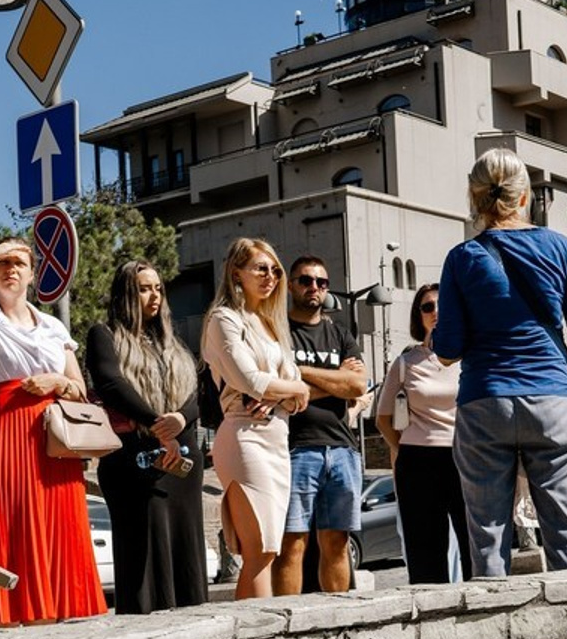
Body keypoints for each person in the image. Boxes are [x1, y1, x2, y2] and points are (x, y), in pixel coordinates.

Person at [432, 148, 567, 576]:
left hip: (484, 400)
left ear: (475, 200)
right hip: (551, 398)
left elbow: (448, 349)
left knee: (487, 537)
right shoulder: (557, 247)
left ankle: (495, 635)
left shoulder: (462, 257)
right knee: (565, 530)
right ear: (525, 196)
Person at [0, 238, 106, 626]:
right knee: (7, 522)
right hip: (5, 431)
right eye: (3, 263)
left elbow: (79, 389)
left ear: (33, 274)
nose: (10, 268)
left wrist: (56, 381)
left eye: (19, 262)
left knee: (56, 526)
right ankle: (5, 619)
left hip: (53, 436)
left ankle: (49, 616)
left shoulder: (53, 326)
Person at [86, 260, 208, 613]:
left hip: (181, 459)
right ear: (126, 293)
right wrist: (158, 426)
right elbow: (111, 384)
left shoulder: (172, 342)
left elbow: (196, 393)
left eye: (158, 288)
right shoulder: (103, 334)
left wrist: (178, 420)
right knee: (144, 553)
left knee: (186, 549)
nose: (154, 295)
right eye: (143, 288)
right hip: (134, 461)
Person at [200, 238, 310, 600]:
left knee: (268, 549)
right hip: (244, 436)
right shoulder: (223, 319)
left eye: (275, 270)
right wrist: (289, 391)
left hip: (277, 438)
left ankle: (254, 636)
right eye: (261, 268)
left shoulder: (270, 323)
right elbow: (249, 381)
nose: (271, 277)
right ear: (236, 272)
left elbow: (296, 389)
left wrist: (285, 397)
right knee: (259, 548)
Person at [274, 255, 368, 595]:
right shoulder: (278, 336)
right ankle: (289, 623)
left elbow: (358, 386)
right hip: (296, 448)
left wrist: (298, 374)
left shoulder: (340, 334)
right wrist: (335, 380)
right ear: (292, 285)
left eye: (321, 282)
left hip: (343, 450)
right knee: (292, 543)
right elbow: (280, 394)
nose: (314, 287)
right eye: (305, 280)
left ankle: (338, 618)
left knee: (337, 542)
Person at [376, 283, 471, 584]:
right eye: (427, 307)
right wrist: (403, 449)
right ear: (419, 317)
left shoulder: (472, 355)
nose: (436, 312)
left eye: (442, 305)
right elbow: (382, 418)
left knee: (474, 544)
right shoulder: (406, 363)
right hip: (419, 460)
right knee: (425, 550)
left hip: (466, 456)